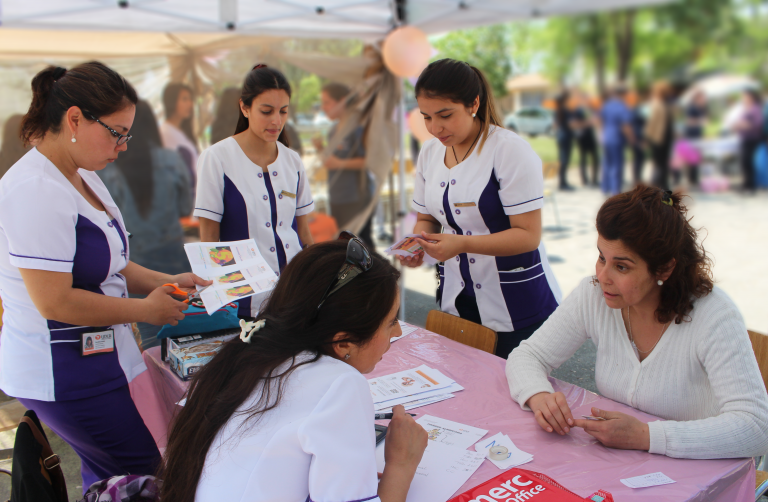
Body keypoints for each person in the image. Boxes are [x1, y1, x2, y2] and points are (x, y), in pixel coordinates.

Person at [0, 62, 211, 492]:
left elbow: (113, 263)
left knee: (113, 478)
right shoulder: (34, 190)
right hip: (63, 372)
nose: (124, 145)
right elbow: (54, 301)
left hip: (97, 361)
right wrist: (146, 309)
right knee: (149, 477)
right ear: (74, 118)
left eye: (127, 134)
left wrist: (164, 280)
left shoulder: (83, 175)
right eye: (116, 132)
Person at [506, 185, 768, 460]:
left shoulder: (714, 316)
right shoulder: (593, 295)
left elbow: (756, 427)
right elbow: (528, 355)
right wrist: (538, 395)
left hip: (701, 469)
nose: (602, 276)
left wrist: (645, 436)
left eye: (622, 267)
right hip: (622, 465)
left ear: (665, 268)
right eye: (601, 257)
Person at [160, 238, 428, 502]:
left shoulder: (249, 351)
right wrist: (401, 465)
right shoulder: (341, 385)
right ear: (343, 341)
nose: (398, 331)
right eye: (391, 321)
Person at [401, 59, 562, 358]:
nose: (435, 127)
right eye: (426, 117)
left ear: (473, 103)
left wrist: (461, 244)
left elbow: (528, 236)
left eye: (445, 115)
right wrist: (417, 244)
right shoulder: (429, 153)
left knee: (514, 391)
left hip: (515, 303)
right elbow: (425, 217)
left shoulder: (508, 150)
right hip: (457, 298)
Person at [194, 64, 314, 318]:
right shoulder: (217, 158)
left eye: (283, 111)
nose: (277, 121)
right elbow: (209, 238)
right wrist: (217, 301)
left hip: (295, 294)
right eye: (266, 111)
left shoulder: (292, 161)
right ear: (244, 107)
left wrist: (317, 279)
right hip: (243, 302)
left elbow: (303, 233)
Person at [98, 100, 193, 349]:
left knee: (152, 343)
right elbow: (185, 208)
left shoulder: (106, 167)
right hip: (174, 260)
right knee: (186, 335)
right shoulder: (170, 160)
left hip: (132, 265)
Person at [315, 82, 376, 248]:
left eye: (327, 102)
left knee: (362, 245)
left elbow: (370, 161)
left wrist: (339, 163)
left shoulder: (358, 127)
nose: (324, 107)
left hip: (356, 197)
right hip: (337, 196)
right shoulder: (334, 130)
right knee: (344, 245)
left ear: (342, 101)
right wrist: (320, 148)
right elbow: (331, 161)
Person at [160, 83, 198, 196]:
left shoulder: (183, 132)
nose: (190, 104)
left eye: (190, 99)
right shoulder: (165, 133)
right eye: (184, 99)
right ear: (171, 101)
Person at [598, 86, 635, 196]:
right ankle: (615, 190)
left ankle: (605, 188)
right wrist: (632, 139)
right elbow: (625, 126)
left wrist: (601, 134)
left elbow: (599, 120)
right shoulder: (622, 107)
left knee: (606, 163)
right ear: (623, 94)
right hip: (616, 139)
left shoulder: (606, 105)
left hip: (606, 137)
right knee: (616, 164)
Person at [644, 81, 674, 191]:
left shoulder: (665, 103)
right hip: (659, 137)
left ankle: (663, 185)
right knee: (659, 163)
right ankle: (656, 186)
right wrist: (647, 139)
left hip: (664, 137)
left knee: (663, 163)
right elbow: (652, 123)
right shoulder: (658, 104)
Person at [732, 89, 763, 192]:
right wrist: (737, 125)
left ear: (751, 97)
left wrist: (744, 125)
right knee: (744, 161)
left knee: (747, 161)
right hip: (744, 137)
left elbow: (757, 124)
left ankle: (750, 185)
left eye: (745, 96)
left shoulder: (755, 108)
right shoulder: (745, 109)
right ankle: (746, 184)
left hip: (752, 138)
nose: (743, 98)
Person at [571, 91, 600, 187]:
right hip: (582, 137)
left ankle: (594, 180)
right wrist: (589, 122)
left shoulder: (591, 109)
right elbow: (575, 124)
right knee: (583, 158)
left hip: (591, 137)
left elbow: (596, 121)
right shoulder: (578, 110)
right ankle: (585, 180)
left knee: (595, 158)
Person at [682, 90, 707, 186]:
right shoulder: (691, 108)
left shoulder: (701, 108)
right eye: (702, 98)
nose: (704, 100)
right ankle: (691, 179)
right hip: (691, 135)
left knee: (697, 157)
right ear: (697, 98)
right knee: (691, 157)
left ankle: (695, 178)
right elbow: (689, 122)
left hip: (698, 135)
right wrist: (700, 121)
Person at [553, 91, 575, 191]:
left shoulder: (557, 110)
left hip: (560, 136)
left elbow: (555, 125)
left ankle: (562, 182)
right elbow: (571, 124)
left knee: (562, 159)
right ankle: (563, 183)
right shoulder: (565, 110)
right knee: (565, 160)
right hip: (566, 136)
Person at [629, 89, 648, 185]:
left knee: (638, 158)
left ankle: (637, 178)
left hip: (635, 136)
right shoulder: (639, 110)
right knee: (639, 158)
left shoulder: (632, 109)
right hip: (639, 136)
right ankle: (637, 179)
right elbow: (644, 124)